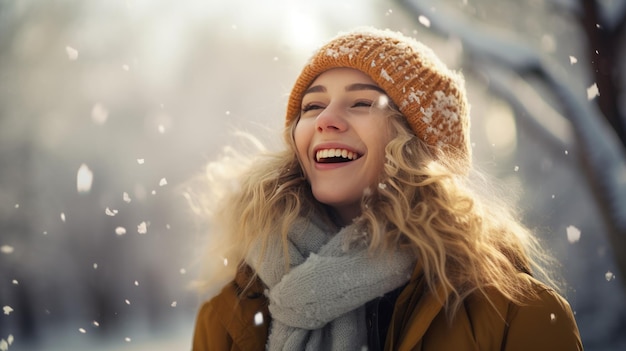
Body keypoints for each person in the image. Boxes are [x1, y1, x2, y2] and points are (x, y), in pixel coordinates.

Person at [191, 27, 583, 351]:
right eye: (312, 107)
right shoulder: (230, 315)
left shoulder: (515, 313)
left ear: (419, 143)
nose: (327, 119)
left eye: (361, 102)